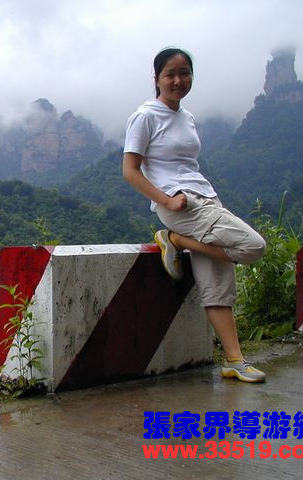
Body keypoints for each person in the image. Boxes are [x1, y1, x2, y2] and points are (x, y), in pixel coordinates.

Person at [123, 47, 267, 383]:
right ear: (156, 79)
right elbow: (130, 171)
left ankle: (234, 361)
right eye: (170, 74)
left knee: (217, 285)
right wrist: (165, 201)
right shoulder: (144, 116)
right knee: (253, 246)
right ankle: (175, 239)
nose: (178, 80)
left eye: (184, 73)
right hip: (181, 205)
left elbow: (187, 164)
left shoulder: (186, 116)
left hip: (206, 199)